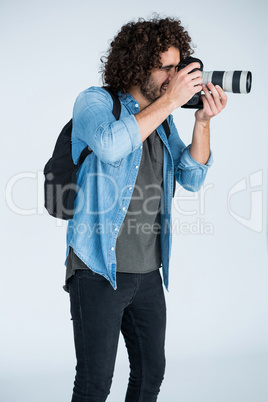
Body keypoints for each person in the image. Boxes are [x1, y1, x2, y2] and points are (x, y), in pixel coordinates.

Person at [64, 16, 227, 402]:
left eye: (178, 67)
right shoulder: (95, 102)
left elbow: (191, 178)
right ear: (137, 65)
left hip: (148, 273)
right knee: (94, 382)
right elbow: (109, 144)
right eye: (166, 68)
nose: (175, 77)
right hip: (97, 269)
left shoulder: (165, 121)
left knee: (151, 375)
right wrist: (171, 100)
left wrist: (201, 120)